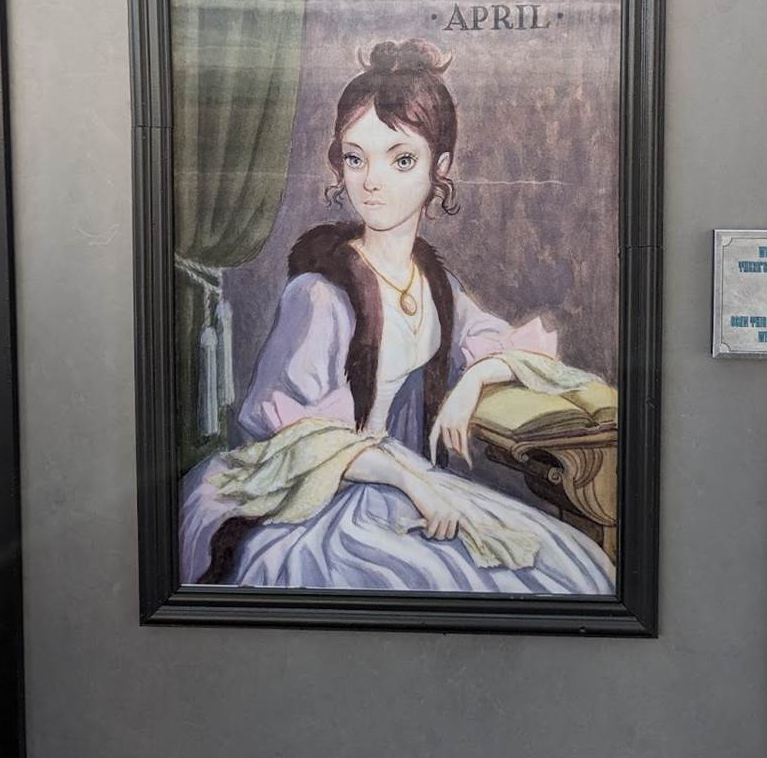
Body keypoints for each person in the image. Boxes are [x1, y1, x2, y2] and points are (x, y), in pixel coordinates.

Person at [180, 39, 615, 596]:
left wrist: (473, 381)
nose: (372, 180)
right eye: (355, 158)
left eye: (401, 159)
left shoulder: (435, 283)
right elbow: (296, 434)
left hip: (402, 480)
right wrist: (412, 483)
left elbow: (510, 347)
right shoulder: (320, 293)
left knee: (567, 568)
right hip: (327, 496)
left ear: (440, 168)